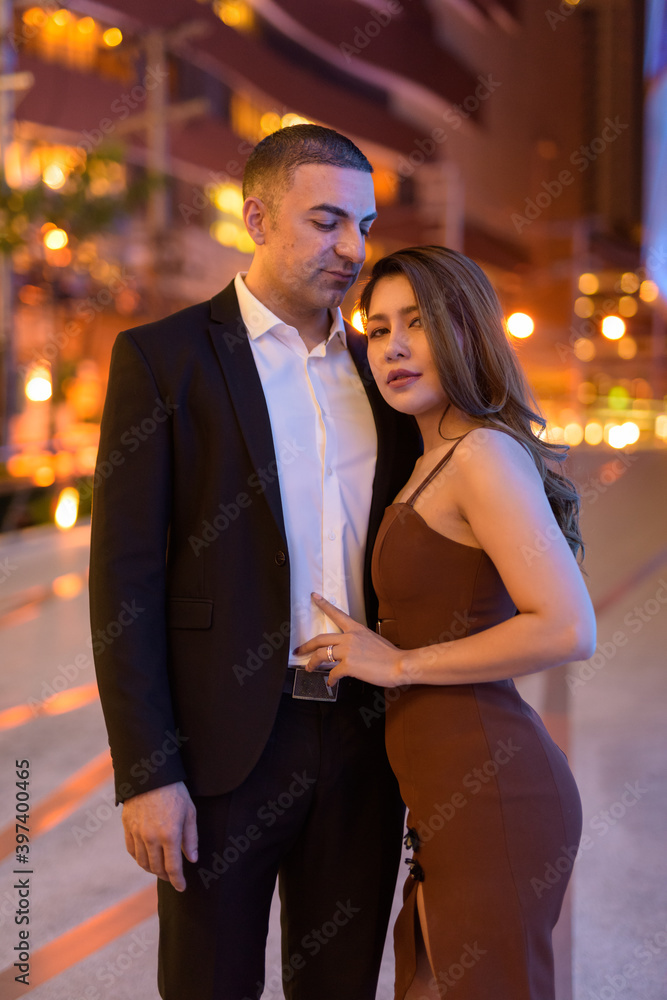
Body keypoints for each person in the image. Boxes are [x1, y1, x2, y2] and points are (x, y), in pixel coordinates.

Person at [89, 125, 420, 1000]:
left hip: (362, 744)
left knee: (339, 985)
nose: (352, 248)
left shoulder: (382, 374)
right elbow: (123, 579)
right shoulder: (164, 360)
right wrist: (147, 773)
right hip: (221, 752)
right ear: (257, 217)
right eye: (325, 222)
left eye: (363, 223)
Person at [297, 245, 597, 1000]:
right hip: (441, 804)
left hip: (494, 794)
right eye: (376, 327)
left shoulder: (483, 455)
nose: (392, 345)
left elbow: (567, 628)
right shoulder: (427, 458)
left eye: (418, 323)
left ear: (467, 331)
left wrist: (397, 664)